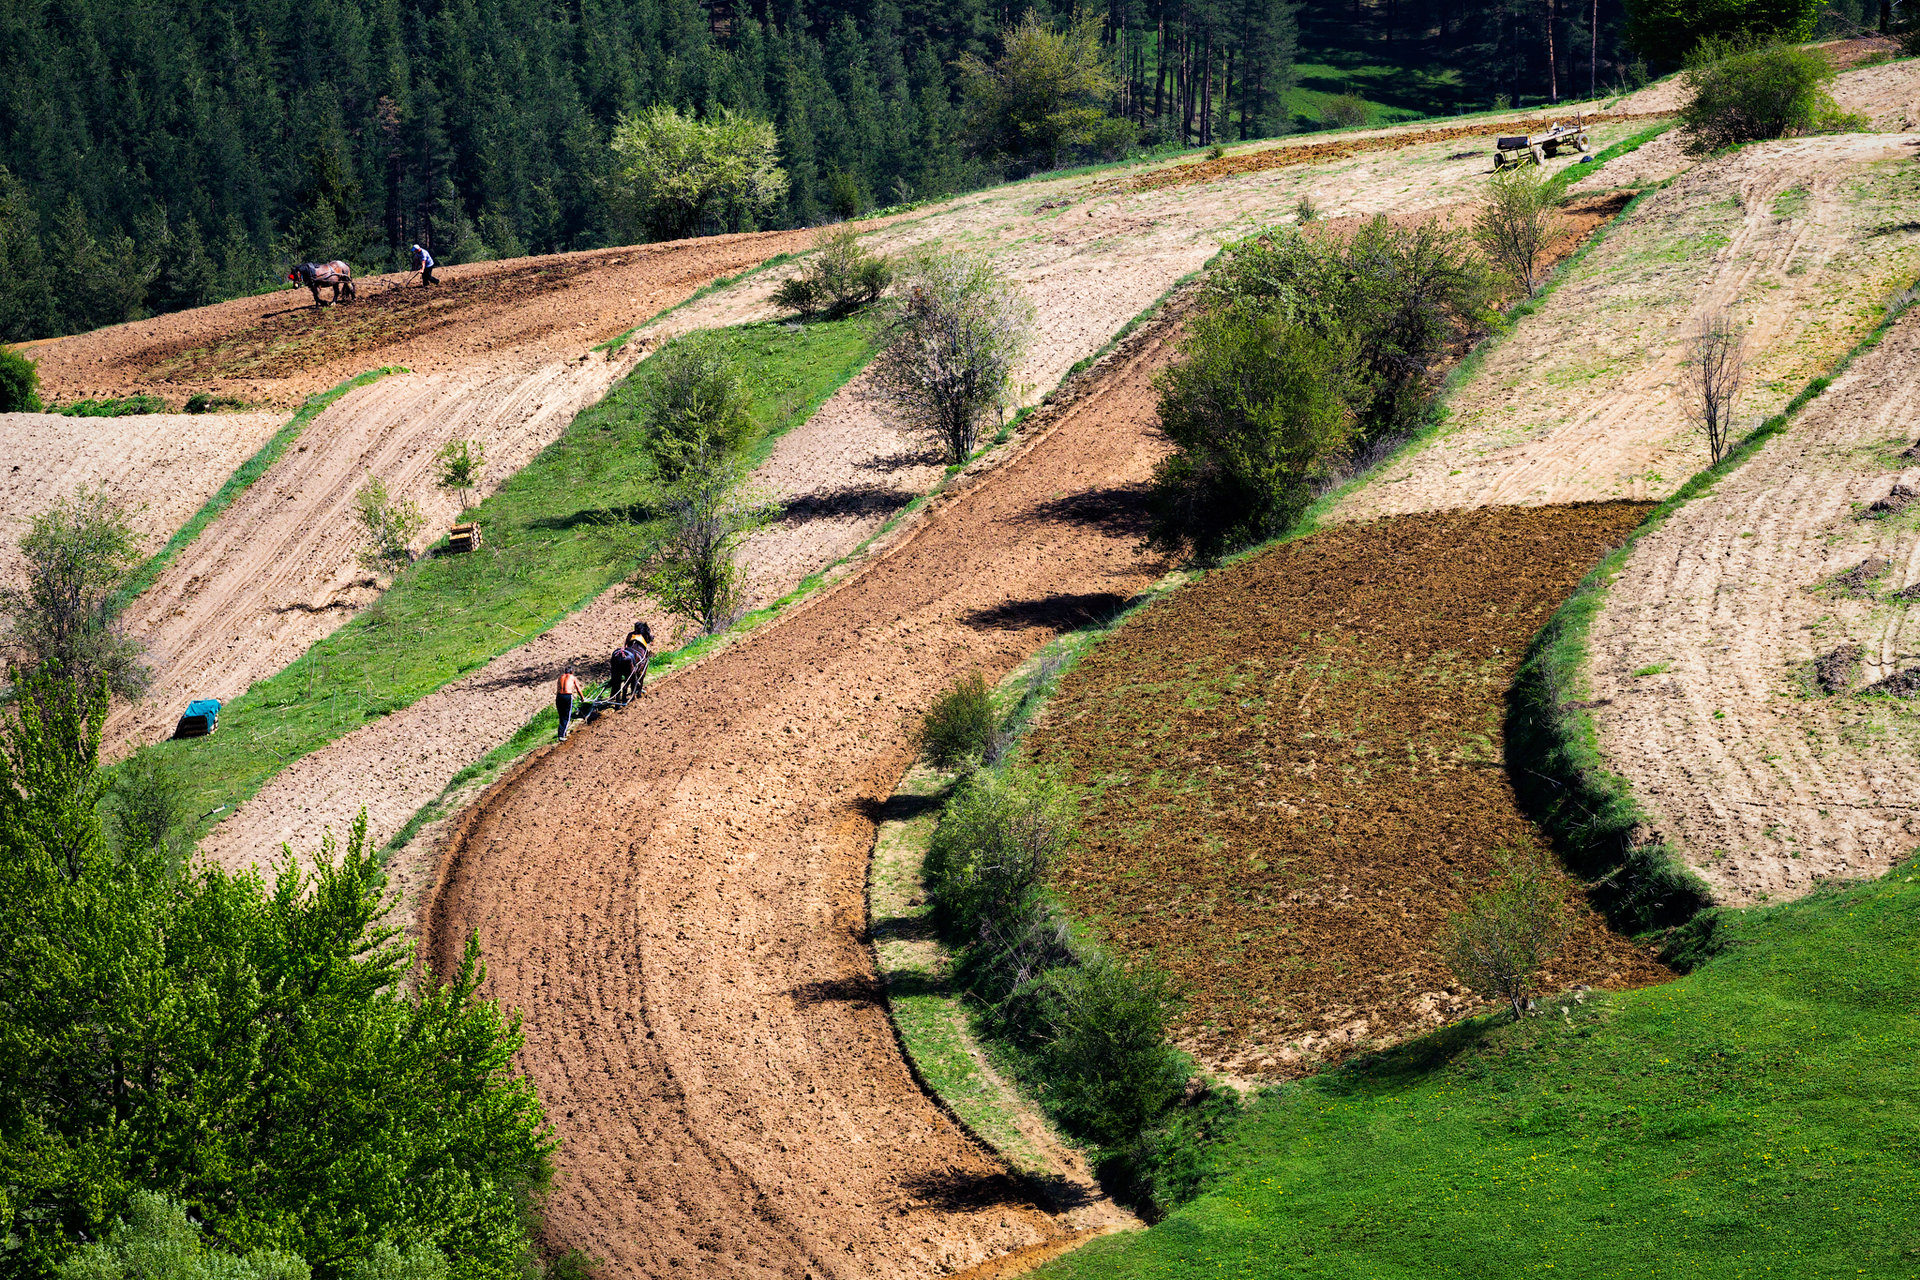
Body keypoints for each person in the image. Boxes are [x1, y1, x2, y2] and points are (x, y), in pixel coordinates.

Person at [626, 621, 654, 698]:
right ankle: (638, 690)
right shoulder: (642, 636)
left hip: (628, 652)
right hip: (636, 655)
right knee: (641, 669)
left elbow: (626, 645)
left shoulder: (630, 635)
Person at [555, 665, 583, 740]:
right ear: (572, 672)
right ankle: (562, 735)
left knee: (561, 715)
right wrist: (582, 698)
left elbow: (558, 687)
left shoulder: (560, 677)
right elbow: (578, 689)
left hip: (559, 696)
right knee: (567, 716)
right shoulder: (572, 677)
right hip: (567, 696)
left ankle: (560, 733)